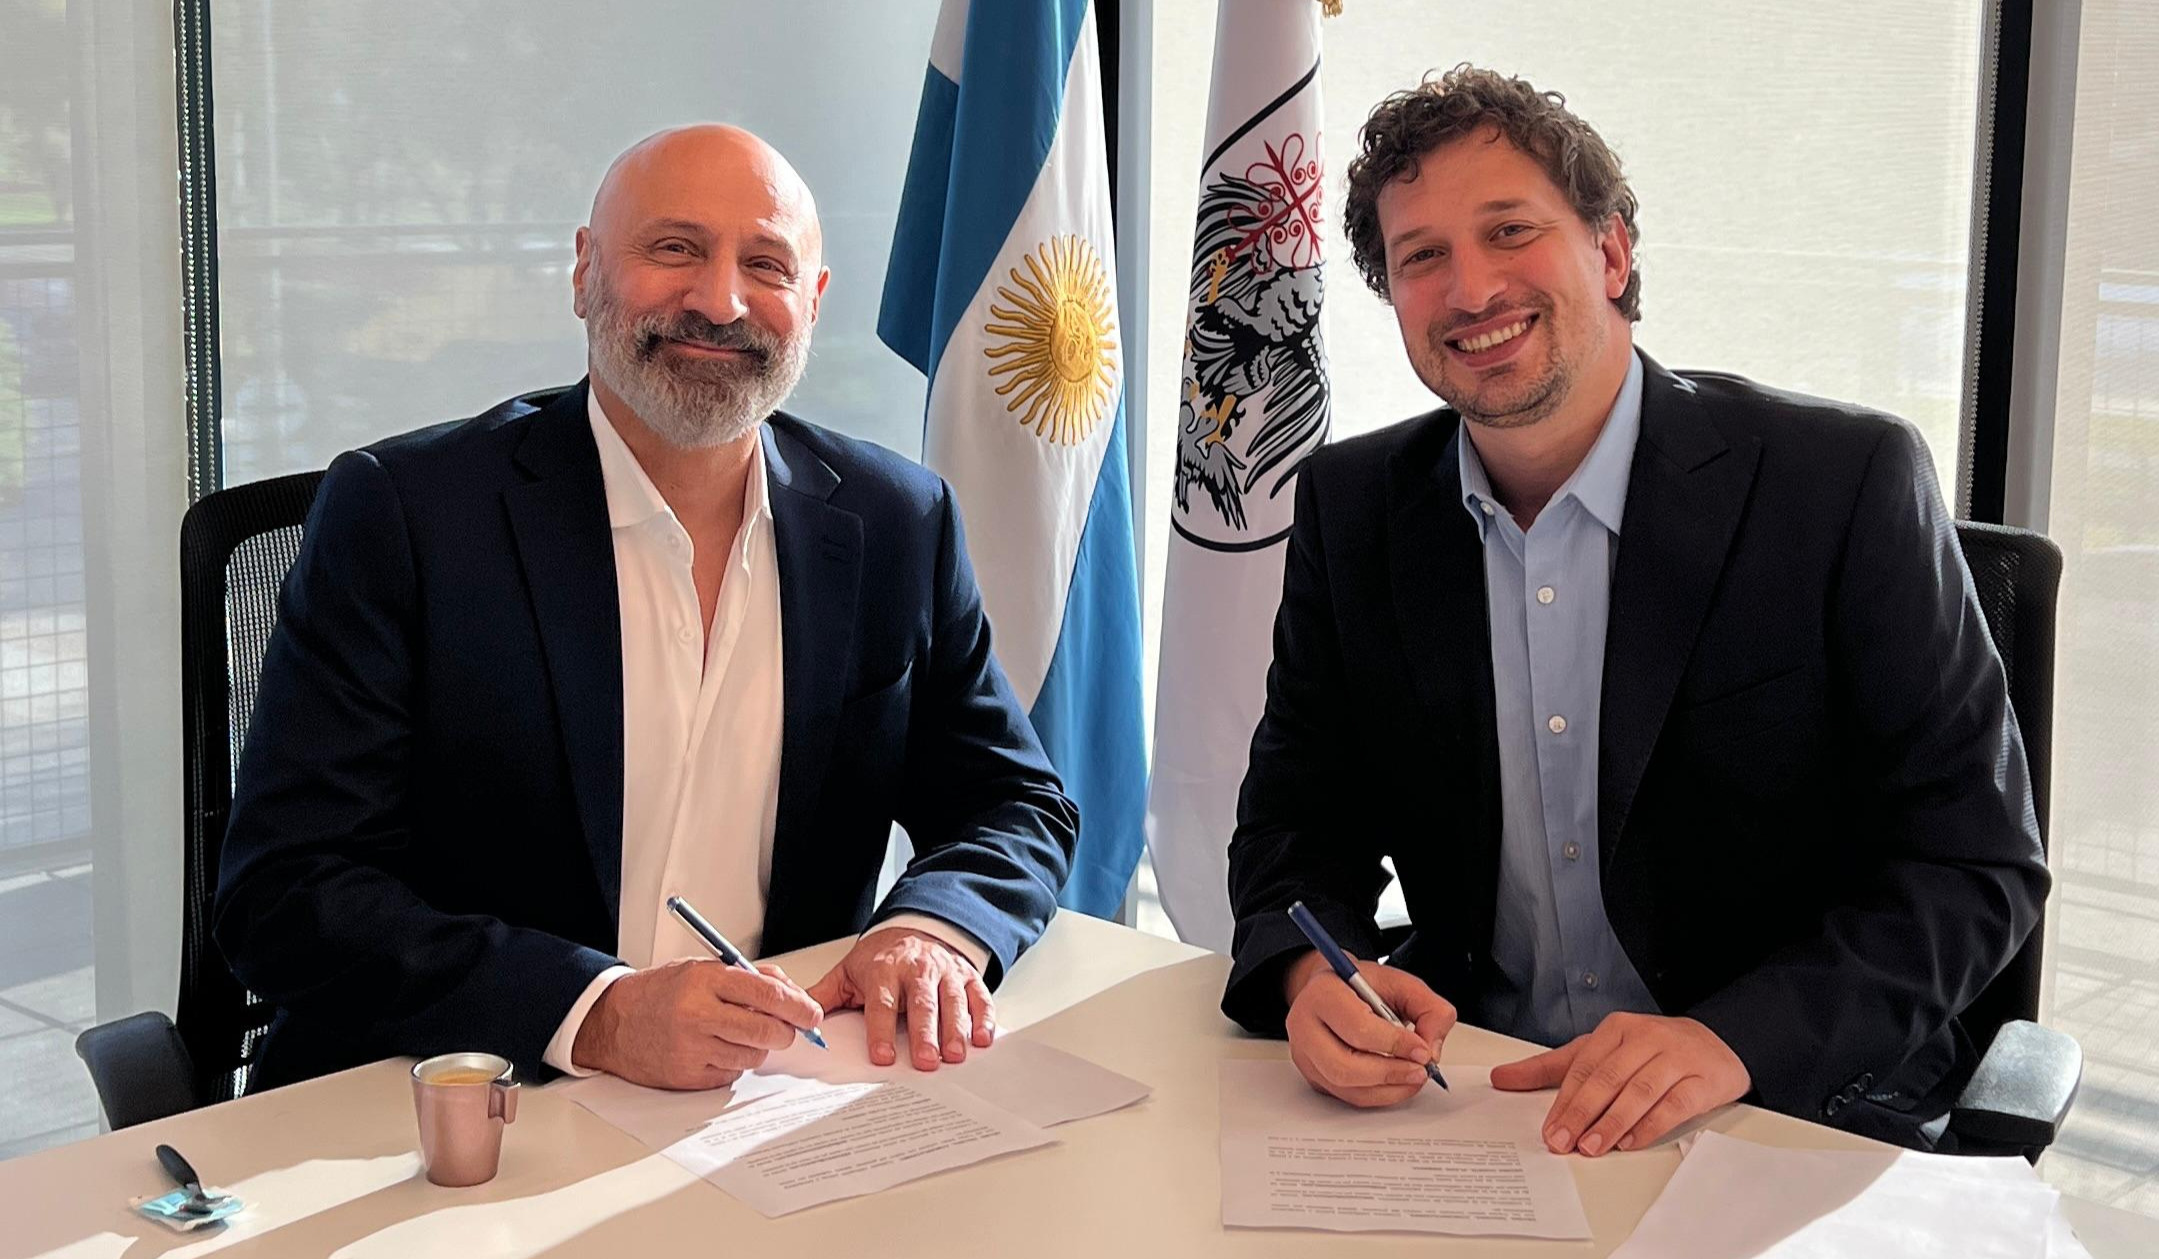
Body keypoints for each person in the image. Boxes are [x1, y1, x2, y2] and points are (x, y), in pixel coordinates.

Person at [1221, 68, 2048, 1153]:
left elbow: (1973, 863)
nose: (1471, 289)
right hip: (1481, 1097)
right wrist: (1307, 973)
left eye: (1510, 231)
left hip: (1780, 1108)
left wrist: (1732, 1039)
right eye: (1423, 256)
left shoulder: (1841, 486)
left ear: (1609, 253)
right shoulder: (1356, 508)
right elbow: (1296, 822)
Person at [216, 125, 1076, 1093]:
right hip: (466, 1094)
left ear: (814, 300)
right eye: (674, 248)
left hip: (773, 1097)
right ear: (586, 271)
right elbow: (286, 890)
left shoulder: (895, 521)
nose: (720, 301)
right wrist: (599, 1013)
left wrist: (933, 929)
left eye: (766, 264)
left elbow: (1012, 800)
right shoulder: (407, 515)